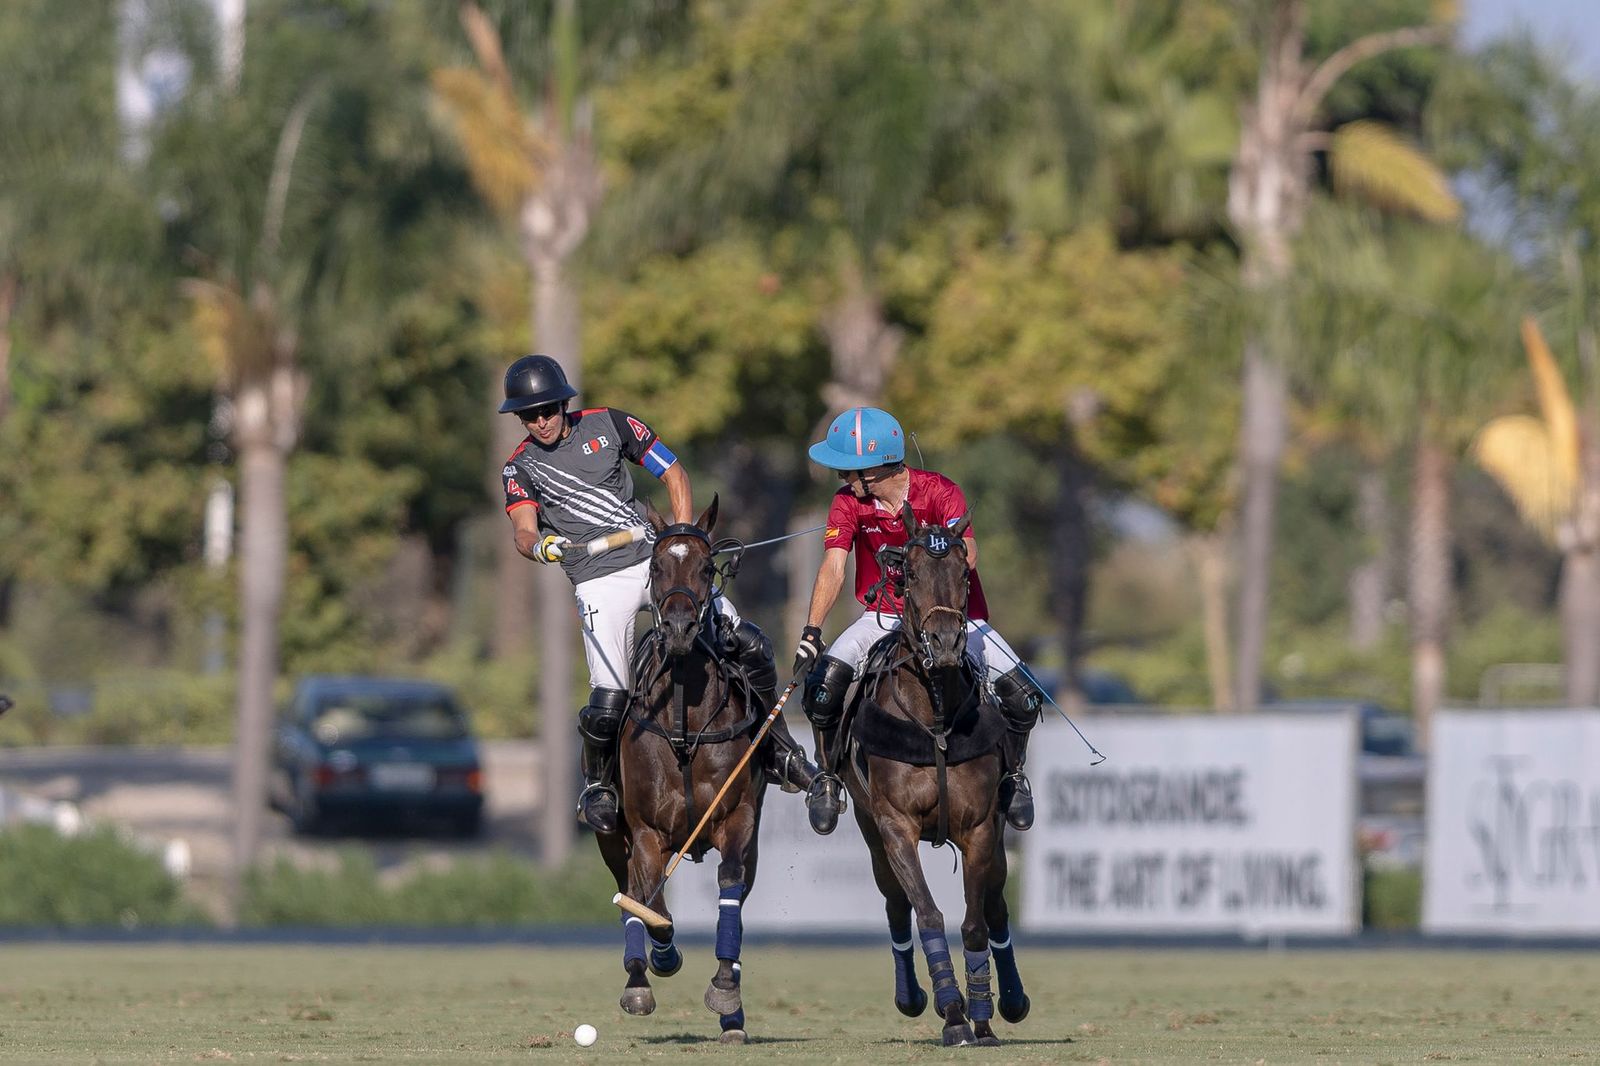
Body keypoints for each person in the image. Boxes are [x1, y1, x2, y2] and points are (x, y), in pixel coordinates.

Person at [498, 354, 814, 833]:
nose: (540, 421)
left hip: (656, 561)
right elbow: (523, 530)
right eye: (528, 415)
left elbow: (674, 474)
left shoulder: (610, 423)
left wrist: (682, 541)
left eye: (546, 410)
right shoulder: (519, 467)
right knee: (608, 699)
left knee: (746, 640)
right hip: (597, 578)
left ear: (563, 404)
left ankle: (781, 751)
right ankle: (599, 785)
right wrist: (541, 545)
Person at [793, 406, 1045, 835]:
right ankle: (830, 777)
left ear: (875, 468)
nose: (841, 478)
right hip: (882, 616)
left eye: (847, 470)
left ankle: (1013, 775)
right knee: (822, 691)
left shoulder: (941, 492)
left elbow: (969, 553)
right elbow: (833, 567)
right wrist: (812, 631)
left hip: (954, 619)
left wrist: (930, 548)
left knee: (1024, 697)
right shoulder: (847, 503)